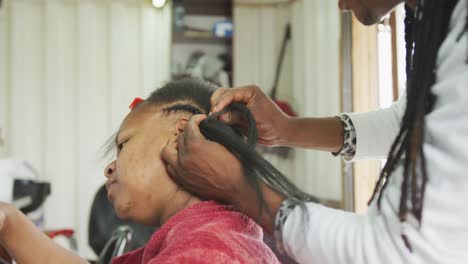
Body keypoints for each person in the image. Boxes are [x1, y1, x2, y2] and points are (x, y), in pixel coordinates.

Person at [161, 0, 468, 263]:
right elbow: (410, 120)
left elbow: (395, 252)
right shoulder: (440, 20)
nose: (336, 4)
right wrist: (285, 128)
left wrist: (239, 188)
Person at [1, 79, 311, 263]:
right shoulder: (193, 234)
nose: (110, 167)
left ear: (181, 137)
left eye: (123, 145)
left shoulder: (210, 246)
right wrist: (10, 225)